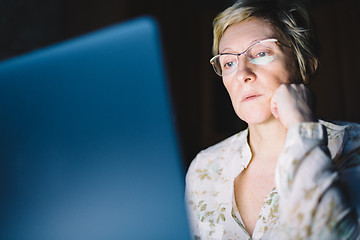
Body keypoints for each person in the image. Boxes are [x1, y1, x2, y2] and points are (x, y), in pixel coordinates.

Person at [185, 0, 360, 239]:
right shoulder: (204, 168)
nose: (243, 74)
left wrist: (301, 127)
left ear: (304, 65)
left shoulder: (353, 145)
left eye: (261, 53)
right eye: (229, 63)